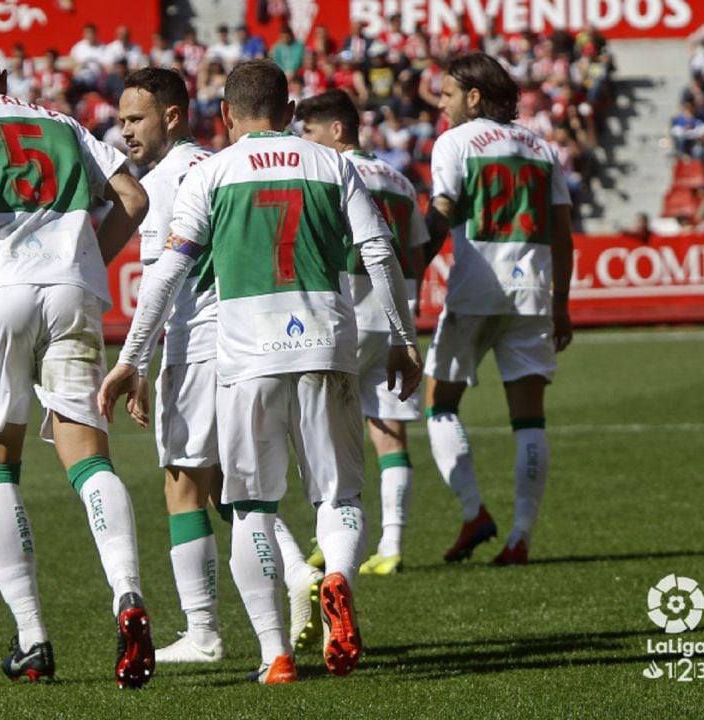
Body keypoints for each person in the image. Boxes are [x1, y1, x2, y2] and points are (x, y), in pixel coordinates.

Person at [100, 59, 423, 684]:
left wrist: (130, 360)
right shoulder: (332, 163)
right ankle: (335, 580)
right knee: (339, 495)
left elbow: (167, 273)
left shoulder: (211, 172)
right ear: (289, 109)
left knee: (248, 504)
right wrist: (404, 339)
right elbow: (380, 251)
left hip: (244, 353)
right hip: (326, 342)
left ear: (225, 116)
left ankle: (275, 654)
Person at [0, 34, 155, 688]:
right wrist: (84, 263)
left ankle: (32, 639)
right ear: (3, 76)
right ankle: (128, 594)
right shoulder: (61, 119)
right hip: (72, 289)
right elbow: (134, 199)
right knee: (90, 457)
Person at [116, 67, 324, 664]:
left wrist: (139, 360)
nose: (125, 131)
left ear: (173, 116)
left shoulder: (169, 181)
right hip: (244, 343)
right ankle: (296, 573)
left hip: (196, 346)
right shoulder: (219, 164)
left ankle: (203, 631)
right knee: (235, 492)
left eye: (136, 118)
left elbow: (164, 280)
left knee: (183, 484)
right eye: (122, 119)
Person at [422, 52, 574, 566]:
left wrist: (412, 264)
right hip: (533, 290)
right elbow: (562, 232)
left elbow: (441, 212)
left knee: (441, 403)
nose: (439, 106)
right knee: (530, 421)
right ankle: (521, 537)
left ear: (473, 96)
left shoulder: (454, 142)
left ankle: (473, 511)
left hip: (476, 288)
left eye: (445, 95)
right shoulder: (542, 147)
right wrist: (562, 304)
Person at [296, 88, 430, 575]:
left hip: (343, 315)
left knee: (326, 436)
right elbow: (414, 257)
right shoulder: (400, 179)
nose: (302, 141)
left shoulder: (324, 172)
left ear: (337, 131)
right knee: (391, 433)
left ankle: (330, 540)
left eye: (308, 132)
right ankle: (391, 547)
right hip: (393, 321)